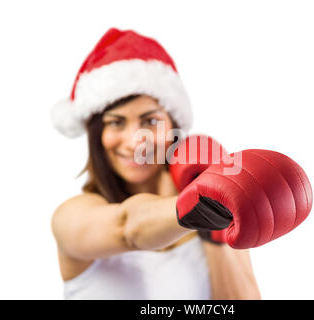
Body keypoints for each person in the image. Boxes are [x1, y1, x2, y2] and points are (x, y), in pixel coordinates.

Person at [50, 28, 261, 300]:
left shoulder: (215, 211)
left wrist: (215, 227)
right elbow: (128, 228)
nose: (136, 142)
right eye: (116, 122)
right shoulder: (73, 215)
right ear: (96, 134)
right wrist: (196, 204)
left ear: (173, 126)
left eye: (150, 121)